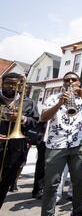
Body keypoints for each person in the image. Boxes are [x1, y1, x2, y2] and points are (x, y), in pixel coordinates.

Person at [40, 71, 82, 216]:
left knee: (78, 182)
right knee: (51, 184)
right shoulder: (53, 97)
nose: (70, 82)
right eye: (67, 80)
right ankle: (47, 213)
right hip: (55, 146)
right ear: (63, 83)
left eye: (74, 80)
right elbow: (43, 117)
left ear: (79, 83)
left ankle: (77, 212)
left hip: (77, 146)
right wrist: (60, 103)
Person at [0, 72, 40, 208]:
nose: (11, 87)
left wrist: (21, 118)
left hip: (15, 148)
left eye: (15, 84)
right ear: (2, 83)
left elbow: (36, 122)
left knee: (4, 183)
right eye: (8, 83)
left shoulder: (29, 102)